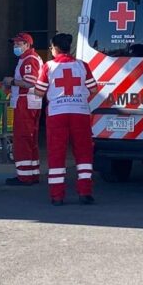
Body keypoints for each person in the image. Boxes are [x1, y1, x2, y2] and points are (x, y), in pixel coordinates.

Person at [34, 33, 98, 206]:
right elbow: (93, 89)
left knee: (57, 153)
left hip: (57, 114)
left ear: (55, 48)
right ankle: (85, 192)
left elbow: (39, 92)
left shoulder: (49, 66)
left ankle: (57, 196)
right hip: (80, 112)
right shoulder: (82, 66)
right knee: (84, 151)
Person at [2, 32, 43, 186]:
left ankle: (24, 176)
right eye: (14, 44)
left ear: (27, 45)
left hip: (25, 103)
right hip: (30, 102)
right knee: (30, 139)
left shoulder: (28, 60)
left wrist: (10, 81)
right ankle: (31, 173)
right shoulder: (29, 58)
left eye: (19, 44)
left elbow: (29, 82)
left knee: (22, 138)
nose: (15, 47)